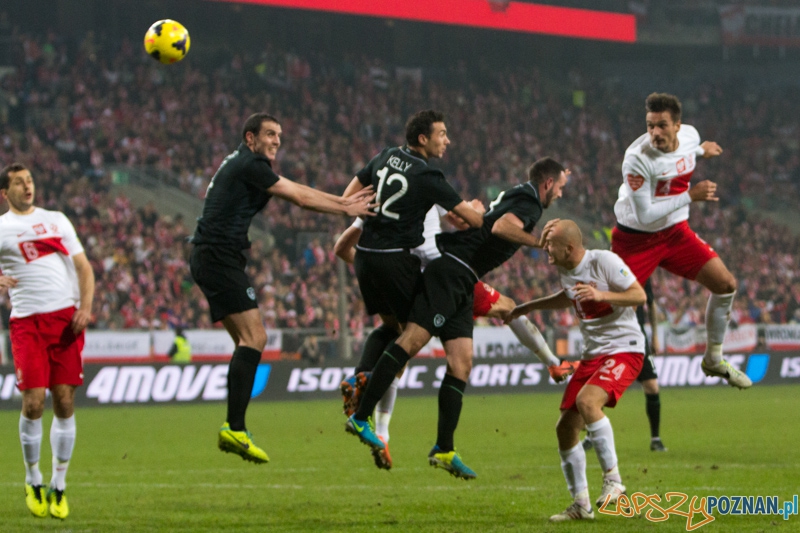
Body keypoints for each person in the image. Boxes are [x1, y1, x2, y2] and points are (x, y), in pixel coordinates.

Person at [346, 157, 568, 479]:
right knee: (411, 339)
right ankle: (362, 415)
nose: (560, 194)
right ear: (548, 183)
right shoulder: (532, 201)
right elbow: (503, 226)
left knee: (461, 363)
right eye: (560, 187)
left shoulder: (523, 194)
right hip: (451, 270)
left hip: (465, 277)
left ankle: (444, 449)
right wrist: (539, 243)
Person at [189, 112, 376, 464]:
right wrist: (344, 206)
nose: (276, 140)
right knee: (254, 338)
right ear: (250, 138)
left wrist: (341, 204)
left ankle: (235, 426)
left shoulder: (246, 164)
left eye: (280, 136)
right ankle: (235, 427)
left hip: (212, 256)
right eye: (270, 134)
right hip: (218, 257)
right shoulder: (250, 163)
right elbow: (299, 196)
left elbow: (294, 188)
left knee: (246, 342)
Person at [335, 109, 484, 469]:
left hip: (367, 258)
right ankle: (366, 398)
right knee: (411, 337)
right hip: (404, 262)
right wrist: (481, 211)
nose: (447, 140)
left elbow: (347, 197)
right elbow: (475, 220)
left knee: (396, 330)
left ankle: (365, 383)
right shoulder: (428, 176)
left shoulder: (385, 155)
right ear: (422, 139)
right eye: (442, 134)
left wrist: (376, 215)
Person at [506, 220, 646, 522]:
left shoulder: (603, 261)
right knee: (566, 428)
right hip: (593, 355)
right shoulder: (567, 270)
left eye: (550, 243)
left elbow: (638, 296)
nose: (545, 248)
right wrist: (530, 307)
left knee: (587, 402)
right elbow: (567, 296)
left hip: (625, 348)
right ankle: (581, 505)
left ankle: (614, 481)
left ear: (569, 247)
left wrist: (602, 295)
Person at [612, 93, 750, 389]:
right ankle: (594, 392)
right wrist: (691, 196)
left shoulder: (690, 137)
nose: (655, 133)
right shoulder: (636, 160)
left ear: (677, 125)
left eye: (662, 126)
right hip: (635, 240)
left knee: (726, 285)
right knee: (613, 312)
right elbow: (646, 216)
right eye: (650, 126)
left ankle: (713, 358)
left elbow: (685, 153)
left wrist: (702, 151)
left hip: (675, 233)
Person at [0, 163, 95, 520]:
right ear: (4, 193)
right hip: (27, 323)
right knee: (34, 403)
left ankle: (59, 485)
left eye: (30, 180)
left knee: (65, 401)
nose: (27, 186)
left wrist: (85, 307)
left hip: (65, 320)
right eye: (18, 183)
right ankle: (32, 478)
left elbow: (84, 268)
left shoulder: (56, 219)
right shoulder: (2, 228)